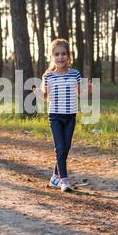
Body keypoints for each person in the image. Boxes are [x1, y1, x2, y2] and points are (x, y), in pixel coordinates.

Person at [34, 38, 92, 192]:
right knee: (59, 147)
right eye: (57, 54)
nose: (60, 57)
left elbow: (80, 94)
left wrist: (89, 90)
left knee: (65, 148)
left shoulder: (75, 74)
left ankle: (54, 176)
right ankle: (64, 180)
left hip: (70, 116)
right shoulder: (48, 76)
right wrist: (39, 93)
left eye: (63, 54)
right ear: (52, 57)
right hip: (55, 116)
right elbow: (47, 97)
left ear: (69, 56)